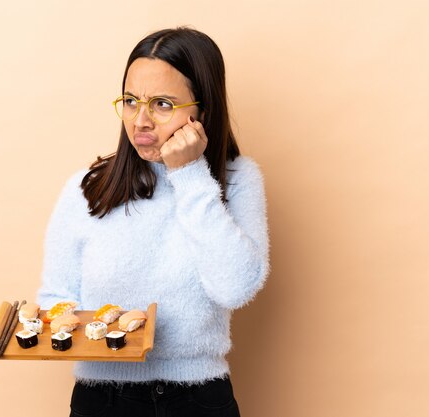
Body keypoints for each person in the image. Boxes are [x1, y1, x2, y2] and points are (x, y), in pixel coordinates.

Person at [37, 27, 270, 417]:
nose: (141, 120)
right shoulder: (86, 187)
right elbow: (55, 298)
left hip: (197, 398)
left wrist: (191, 175)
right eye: (130, 101)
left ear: (202, 111)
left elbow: (235, 288)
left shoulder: (238, 180)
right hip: (102, 398)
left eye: (162, 104)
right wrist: (99, 333)